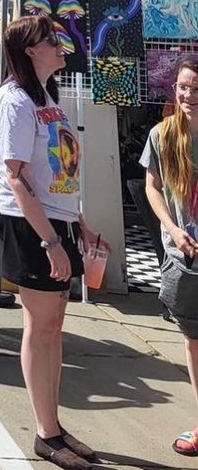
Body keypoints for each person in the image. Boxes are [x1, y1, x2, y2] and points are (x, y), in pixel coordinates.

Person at [0, 13, 96, 470]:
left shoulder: (47, 97)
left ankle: (52, 426)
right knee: (42, 324)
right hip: (31, 225)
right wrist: (51, 241)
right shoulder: (13, 101)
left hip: (57, 223)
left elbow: (59, 173)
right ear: (30, 50)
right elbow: (15, 178)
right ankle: (46, 432)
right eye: (51, 40)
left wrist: (79, 222)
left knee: (55, 325)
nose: (60, 45)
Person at [143, 55, 198, 457]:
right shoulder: (162, 135)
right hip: (185, 258)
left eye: (195, 88)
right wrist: (173, 229)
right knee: (193, 341)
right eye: (183, 87)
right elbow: (152, 188)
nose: (188, 95)